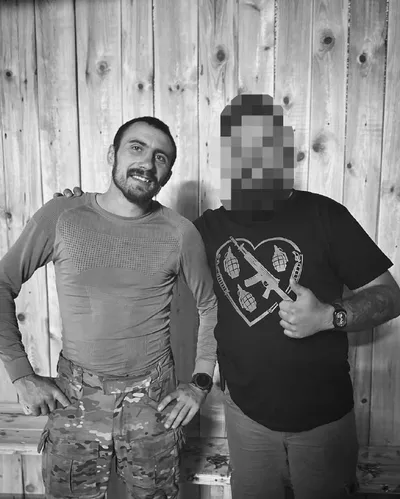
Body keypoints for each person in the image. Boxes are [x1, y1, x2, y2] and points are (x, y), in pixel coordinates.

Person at [54, 94, 400, 499]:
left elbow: (389, 296)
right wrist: (89, 211)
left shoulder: (326, 215)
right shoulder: (203, 230)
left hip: (325, 422)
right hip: (246, 422)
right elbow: (138, 240)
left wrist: (329, 317)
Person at [0, 116, 218, 499]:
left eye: (161, 157)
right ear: (111, 154)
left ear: (167, 174)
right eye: (137, 148)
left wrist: (200, 383)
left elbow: (210, 306)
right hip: (76, 398)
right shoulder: (62, 216)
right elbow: (2, 283)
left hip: (154, 401)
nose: (147, 163)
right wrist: (21, 375)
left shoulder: (181, 233)